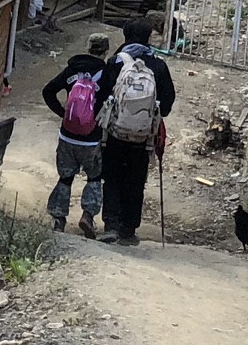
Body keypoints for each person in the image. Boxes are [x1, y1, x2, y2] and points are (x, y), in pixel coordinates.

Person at [97, 16, 177, 245]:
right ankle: (128, 230)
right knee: (135, 180)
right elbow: (168, 103)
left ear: (126, 36)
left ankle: (110, 224)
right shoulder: (159, 65)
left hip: (114, 133)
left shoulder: (115, 62)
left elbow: (101, 96)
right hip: (143, 137)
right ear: (149, 38)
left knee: (112, 178)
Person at [41, 30, 112, 238]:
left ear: (88, 48)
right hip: (92, 138)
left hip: (67, 135)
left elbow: (47, 91)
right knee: (94, 177)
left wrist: (63, 114)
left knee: (65, 177)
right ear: (105, 52)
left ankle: (59, 219)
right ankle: (87, 216)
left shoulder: (72, 70)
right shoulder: (106, 74)